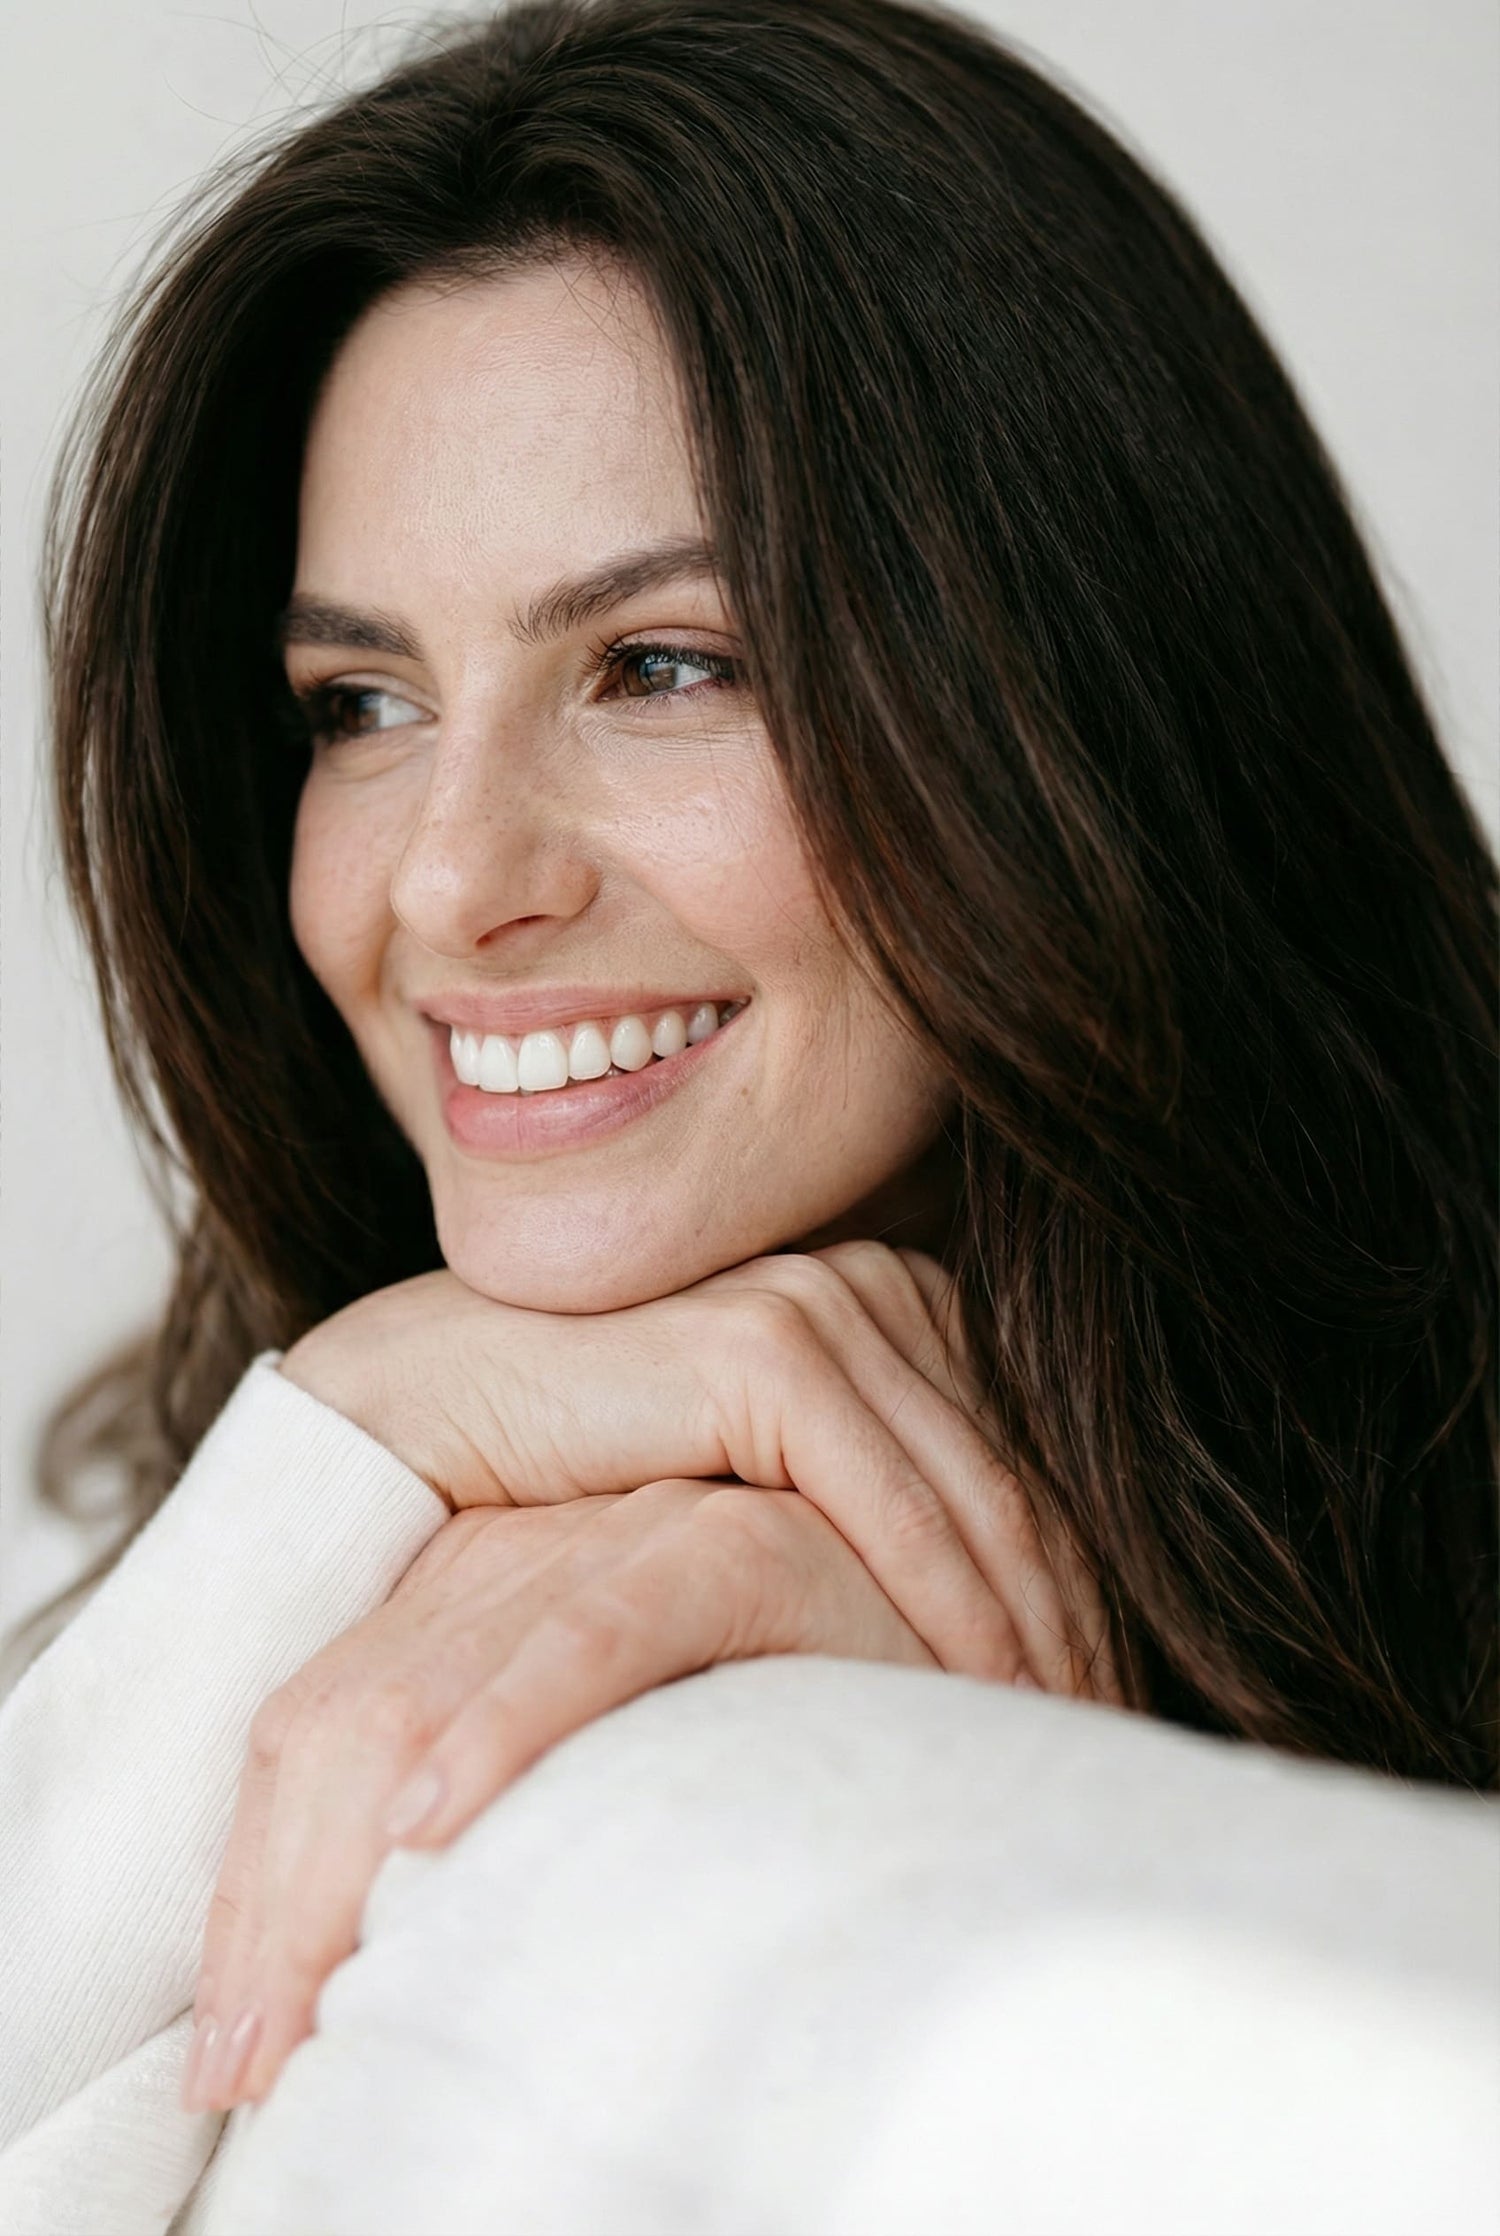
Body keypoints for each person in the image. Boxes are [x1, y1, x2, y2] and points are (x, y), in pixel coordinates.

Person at [3, 0, 1495, 2215]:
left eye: (664, 665)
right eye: (363, 700)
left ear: (1086, 703)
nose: (449, 883)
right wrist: (345, 1449)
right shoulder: (172, 1495)